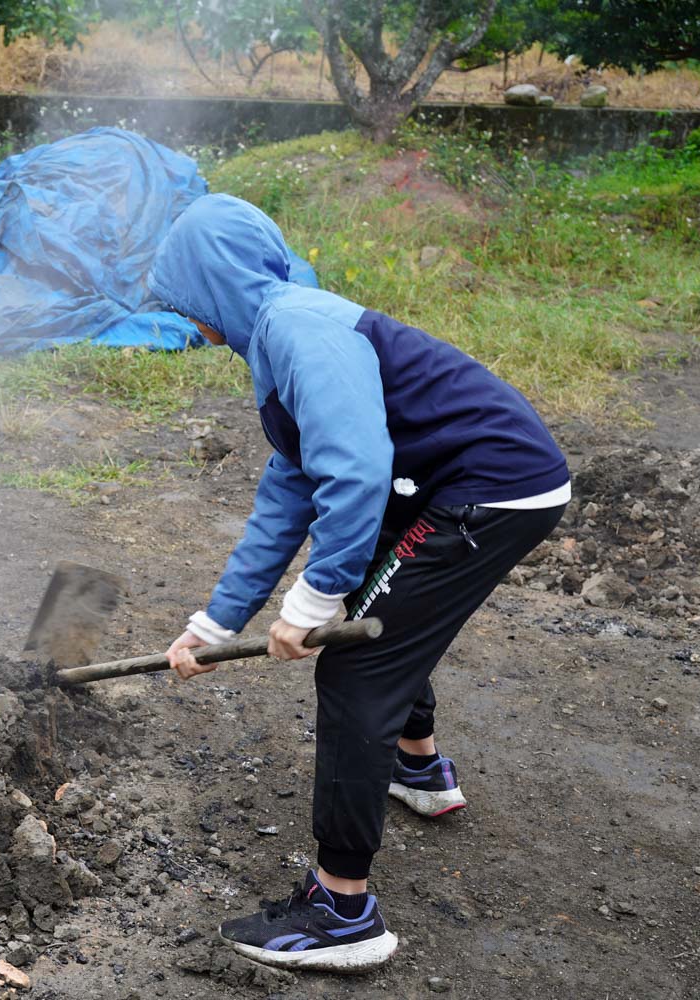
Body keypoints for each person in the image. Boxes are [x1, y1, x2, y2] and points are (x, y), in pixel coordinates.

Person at [148, 194, 570, 974]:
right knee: (385, 605)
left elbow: (358, 468)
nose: (187, 324)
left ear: (213, 287)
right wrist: (216, 623)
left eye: (184, 303)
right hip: (464, 483)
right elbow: (290, 490)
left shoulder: (297, 328)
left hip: (490, 488)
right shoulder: (278, 337)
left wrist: (314, 599)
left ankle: (343, 910)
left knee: (357, 661)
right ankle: (420, 769)